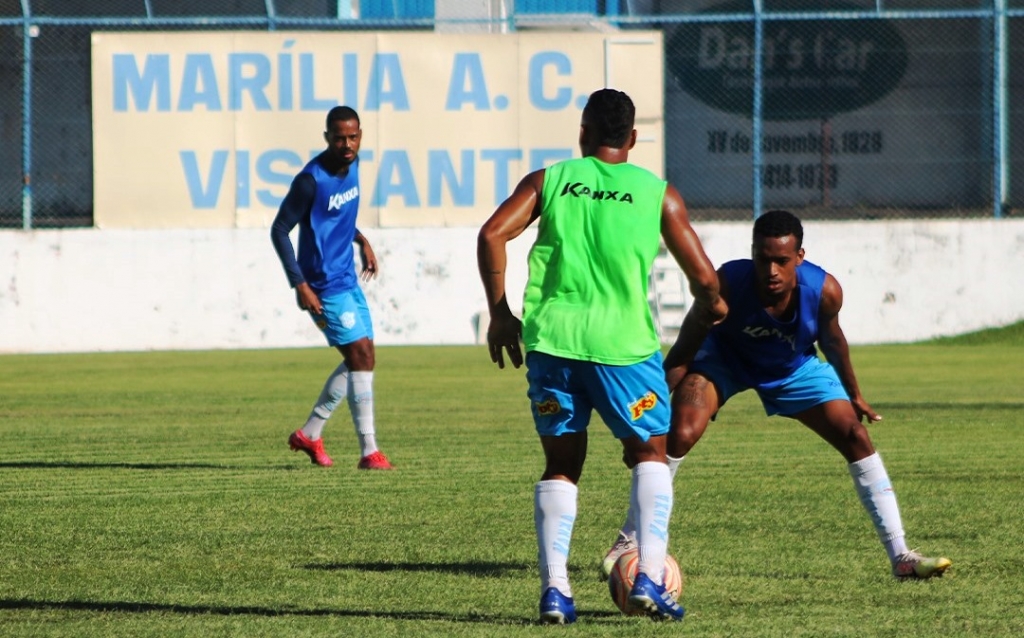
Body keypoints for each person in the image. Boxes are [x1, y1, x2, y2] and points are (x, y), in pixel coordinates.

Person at [477, 88, 727, 624]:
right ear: (633, 139)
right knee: (649, 456)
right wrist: (714, 304)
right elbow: (704, 278)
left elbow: (493, 232)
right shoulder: (656, 193)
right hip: (623, 351)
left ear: (584, 133)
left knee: (562, 465)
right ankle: (650, 581)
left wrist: (500, 312)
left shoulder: (552, 180)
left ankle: (555, 591)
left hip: (553, 345)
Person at [602, 209, 951, 580]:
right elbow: (685, 347)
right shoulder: (728, 284)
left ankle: (901, 556)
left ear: (799, 257)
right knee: (680, 434)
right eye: (763, 259)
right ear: (752, 253)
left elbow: (832, 341)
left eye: (781, 261)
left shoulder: (824, 291)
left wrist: (855, 394)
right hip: (724, 362)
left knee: (855, 434)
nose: (771, 271)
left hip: (792, 368)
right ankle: (631, 538)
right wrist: (652, 408)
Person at [270, 105, 394, 471]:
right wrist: (300, 285)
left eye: (353, 137)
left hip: (346, 278)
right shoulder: (310, 180)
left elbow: (336, 218)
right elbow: (279, 230)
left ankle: (310, 433)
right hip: (322, 286)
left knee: (363, 355)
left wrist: (361, 239)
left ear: (360, 136)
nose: (346, 144)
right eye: (339, 137)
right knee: (360, 356)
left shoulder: (353, 165)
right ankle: (369, 451)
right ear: (327, 137)